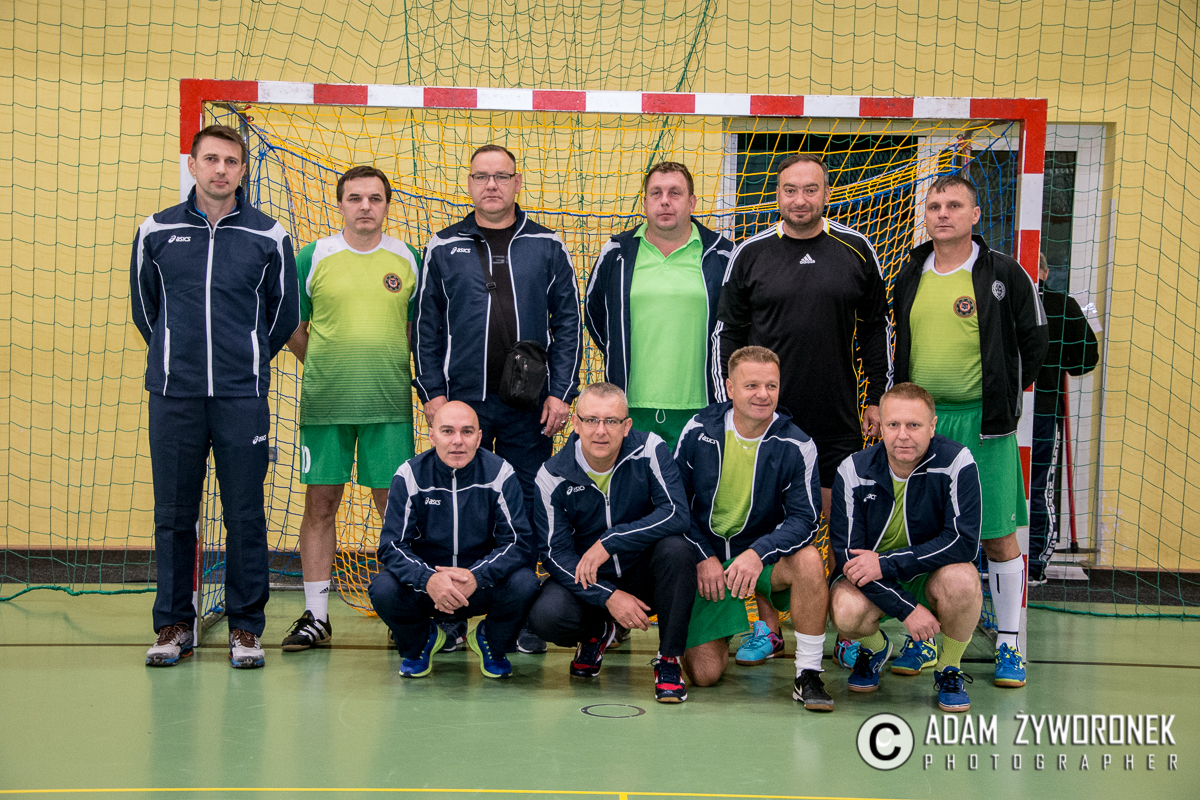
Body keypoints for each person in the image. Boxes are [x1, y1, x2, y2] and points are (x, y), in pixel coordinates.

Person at [712, 153, 891, 665]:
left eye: (811, 189)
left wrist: (877, 396)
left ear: (826, 194)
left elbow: (876, 328)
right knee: (761, 521)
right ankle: (767, 628)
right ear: (777, 194)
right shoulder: (750, 253)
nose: (800, 199)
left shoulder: (855, 249)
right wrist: (730, 400)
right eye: (790, 189)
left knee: (845, 529)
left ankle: (848, 630)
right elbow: (727, 332)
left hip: (836, 417)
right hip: (767, 419)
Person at [132, 124, 299, 669]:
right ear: (193, 165)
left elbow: (282, 316)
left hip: (240, 396)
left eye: (231, 161)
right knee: (174, 514)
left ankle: (246, 627)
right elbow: (146, 311)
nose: (220, 169)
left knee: (245, 514)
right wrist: (176, 356)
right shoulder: (156, 230)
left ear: (243, 169)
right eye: (211, 159)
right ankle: (174, 624)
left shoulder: (269, 235)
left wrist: (244, 357)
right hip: (174, 395)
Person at [413, 144, 581, 654]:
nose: (491, 185)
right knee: (459, 509)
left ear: (517, 183)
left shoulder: (547, 244)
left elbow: (569, 322)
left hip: (529, 408)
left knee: (526, 506)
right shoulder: (443, 245)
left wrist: (560, 393)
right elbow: (424, 327)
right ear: (469, 183)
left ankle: (519, 614)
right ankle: (450, 615)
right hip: (462, 407)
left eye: (501, 176)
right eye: (482, 176)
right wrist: (433, 394)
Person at [892, 173, 1047, 688]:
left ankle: (1009, 644)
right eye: (934, 205)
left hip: (983, 424)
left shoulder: (1004, 273)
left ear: (975, 215)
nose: (943, 214)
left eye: (954, 205)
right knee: (919, 533)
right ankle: (923, 637)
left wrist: (1003, 396)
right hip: (925, 428)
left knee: (999, 536)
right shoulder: (910, 272)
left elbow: (1035, 341)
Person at [278, 166, 422, 652]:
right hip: (326, 406)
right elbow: (293, 326)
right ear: (340, 203)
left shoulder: (408, 258)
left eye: (375, 198)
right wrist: (325, 365)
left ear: (387, 205)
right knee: (320, 505)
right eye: (355, 197)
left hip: (389, 406)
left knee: (393, 510)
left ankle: (400, 611)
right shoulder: (312, 256)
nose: (365, 206)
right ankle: (316, 616)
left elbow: (414, 332)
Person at [674, 346, 832, 712]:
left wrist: (758, 553)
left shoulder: (798, 444)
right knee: (704, 674)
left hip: (762, 562)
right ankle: (723, 629)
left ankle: (808, 673)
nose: (763, 394)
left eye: (771, 385)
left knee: (809, 560)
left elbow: (805, 520)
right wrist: (704, 556)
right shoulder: (698, 431)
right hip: (712, 565)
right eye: (751, 385)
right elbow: (675, 506)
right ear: (730, 388)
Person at [526, 383, 695, 703]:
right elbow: (555, 554)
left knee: (678, 550)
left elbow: (676, 513)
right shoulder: (552, 475)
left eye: (611, 421)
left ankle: (669, 659)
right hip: (591, 580)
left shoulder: (650, 449)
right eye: (591, 420)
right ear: (576, 424)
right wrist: (608, 596)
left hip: (644, 576)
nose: (600, 431)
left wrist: (610, 541)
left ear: (627, 425)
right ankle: (598, 633)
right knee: (546, 614)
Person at [828, 383, 984, 712]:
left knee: (963, 579)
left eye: (913, 425)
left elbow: (964, 541)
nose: (903, 435)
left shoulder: (957, 462)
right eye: (893, 424)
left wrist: (885, 563)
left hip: (929, 573)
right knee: (844, 607)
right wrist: (907, 609)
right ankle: (875, 648)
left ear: (932, 425)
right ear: (880, 426)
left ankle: (949, 667)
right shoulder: (853, 470)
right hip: (875, 579)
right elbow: (848, 558)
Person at [367, 402, 540, 679]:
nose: (458, 441)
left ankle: (491, 641)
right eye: (447, 431)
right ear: (432, 436)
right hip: (429, 587)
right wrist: (428, 579)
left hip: (480, 585)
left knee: (525, 583)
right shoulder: (409, 475)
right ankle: (421, 641)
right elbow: (391, 546)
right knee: (383, 588)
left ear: (479, 438)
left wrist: (476, 576)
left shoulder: (500, 473)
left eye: (467, 432)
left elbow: (518, 542)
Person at [584, 162, 734, 448]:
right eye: (656, 193)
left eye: (675, 193)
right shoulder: (617, 252)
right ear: (645, 202)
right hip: (629, 407)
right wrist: (618, 351)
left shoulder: (723, 254)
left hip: (703, 405)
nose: (665, 201)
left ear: (692, 202)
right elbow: (594, 314)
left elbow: (737, 324)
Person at [1030, 253, 1099, 583]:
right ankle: (1033, 563)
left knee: (999, 483)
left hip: (1002, 408)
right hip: (1044, 405)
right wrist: (1063, 363)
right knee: (1037, 485)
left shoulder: (1001, 298)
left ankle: (991, 559)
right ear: (1045, 272)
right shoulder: (1061, 304)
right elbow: (1087, 356)